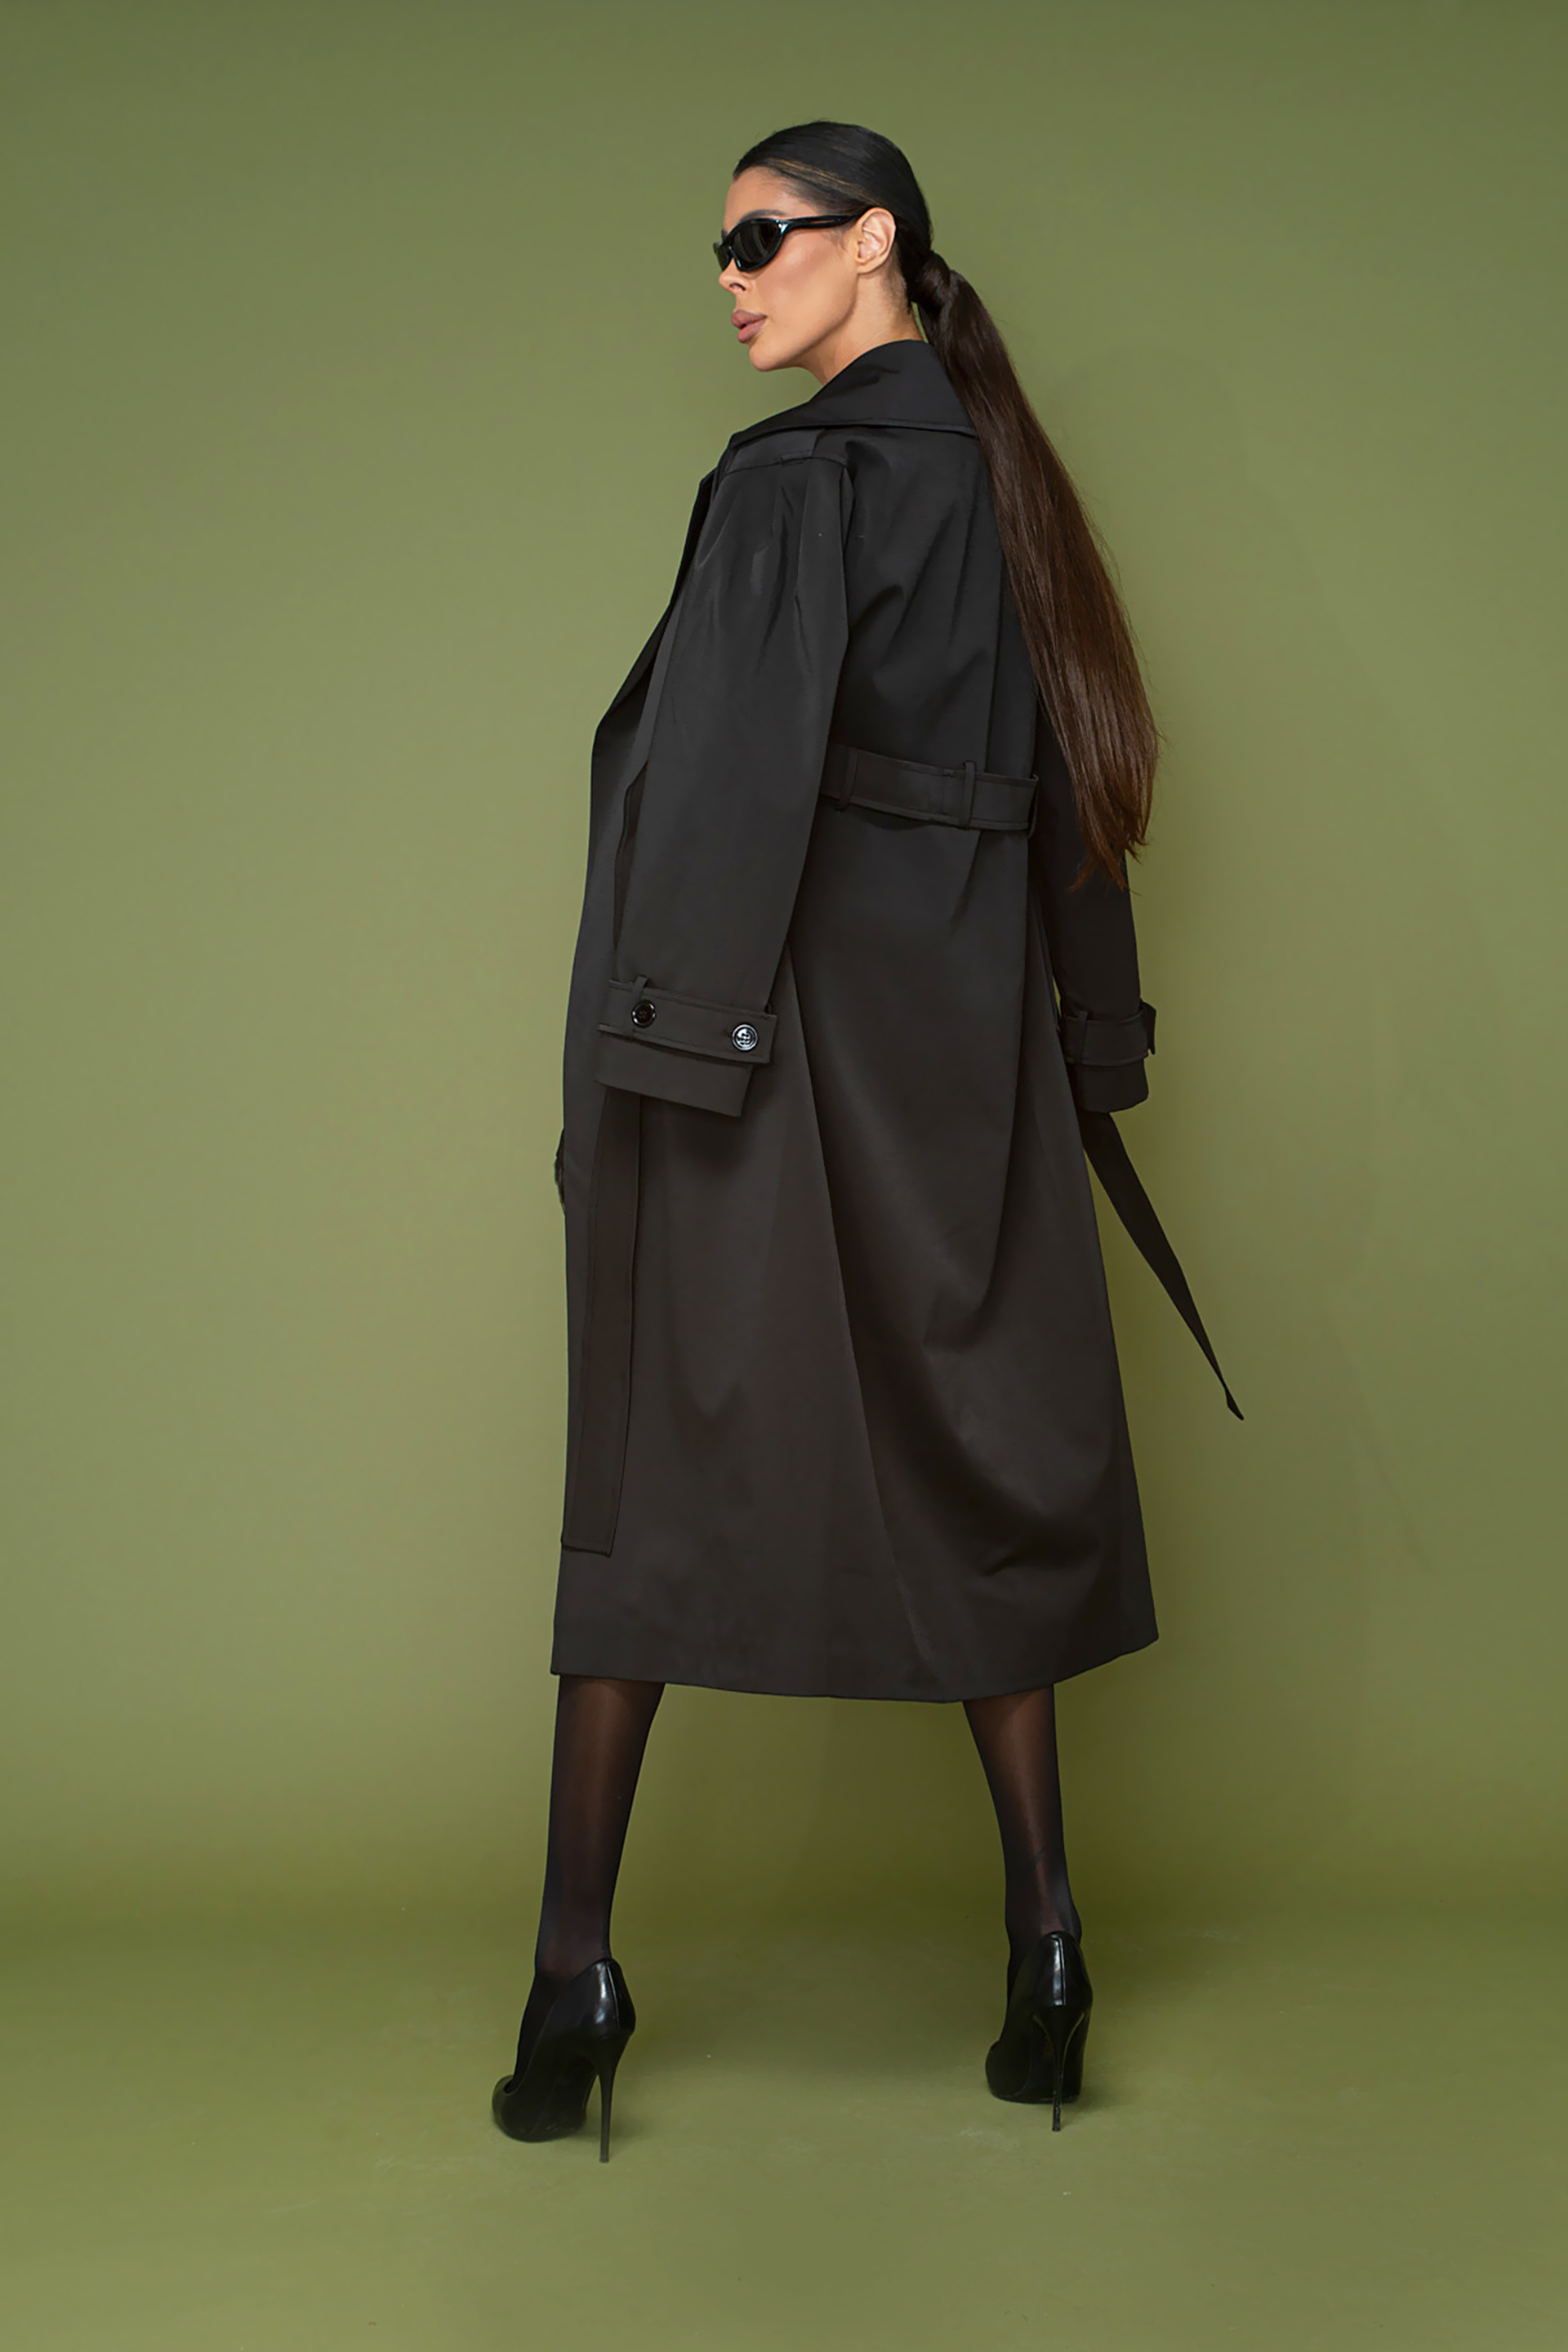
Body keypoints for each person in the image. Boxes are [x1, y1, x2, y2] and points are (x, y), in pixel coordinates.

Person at [492, 119, 1236, 2161]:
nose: (732, 279)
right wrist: (1093, 1042)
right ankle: (1048, 1940)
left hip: (773, 1052)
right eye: (722, 251)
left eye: (762, 238)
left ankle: (573, 1973)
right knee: (980, 1460)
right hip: (972, 1065)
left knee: (650, 1480)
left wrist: (645, 1065)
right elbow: (1085, 795)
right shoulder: (1013, 490)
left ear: (873, 239)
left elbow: (716, 797)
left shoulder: (794, 483)